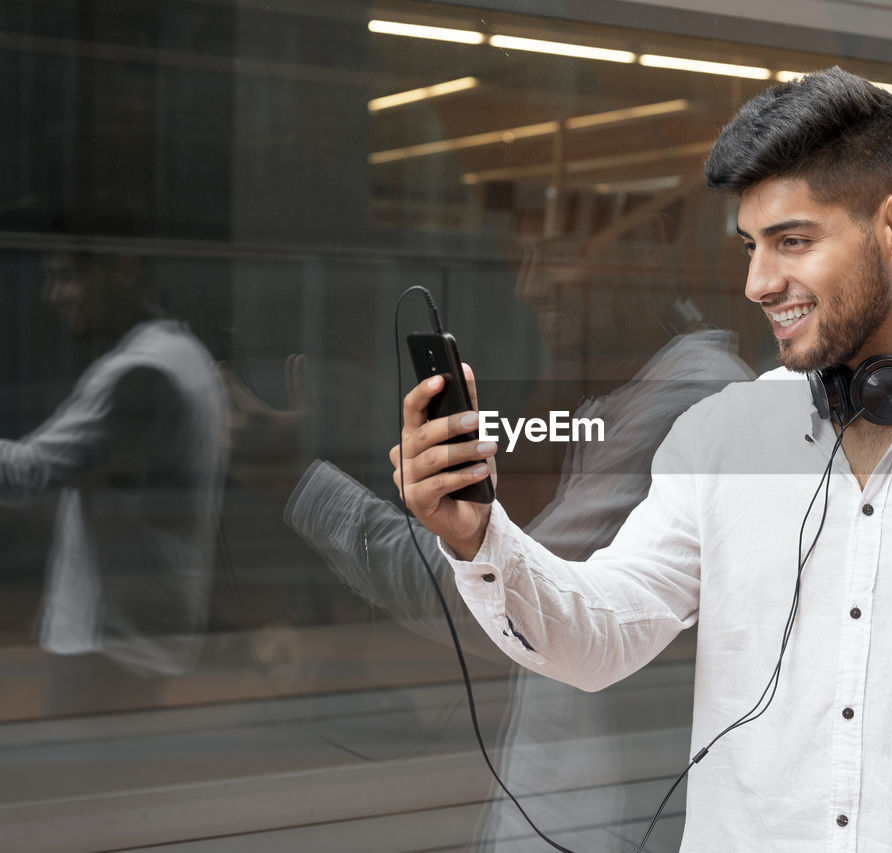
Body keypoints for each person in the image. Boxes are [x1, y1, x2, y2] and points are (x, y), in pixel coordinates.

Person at [395, 66, 892, 850]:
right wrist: (479, 537)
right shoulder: (720, 438)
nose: (757, 280)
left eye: (791, 240)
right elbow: (600, 634)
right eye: (751, 244)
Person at [226, 223, 754, 849]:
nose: (531, 288)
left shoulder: (692, 395)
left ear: (647, 251)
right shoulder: (620, 393)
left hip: (603, 818)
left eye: (554, 252)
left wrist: (302, 482)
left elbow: (513, 606)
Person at [0, 251, 226, 714]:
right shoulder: (183, 352)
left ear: (122, 269)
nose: (53, 295)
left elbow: (24, 474)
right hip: (139, 638)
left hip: (105, 648)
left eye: (66, 277)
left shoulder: (138, 373)